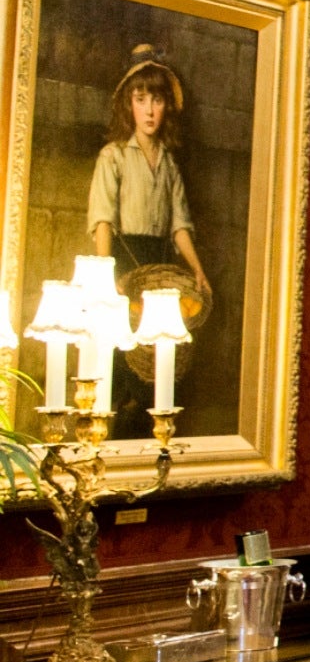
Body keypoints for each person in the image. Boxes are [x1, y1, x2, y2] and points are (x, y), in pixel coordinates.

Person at [90, 45, 210, 427]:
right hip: (125, 262)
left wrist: (197, 270)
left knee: (156, 362)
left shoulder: (170, 163)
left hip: (161, 269)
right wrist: (108, 280)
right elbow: (103, 220)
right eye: (141, 100)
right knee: (118, 355)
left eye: (157, 100)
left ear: (166, 107)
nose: (150, 110)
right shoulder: (113, 156)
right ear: (129, 105)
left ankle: (145, 436)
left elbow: (179, 227)